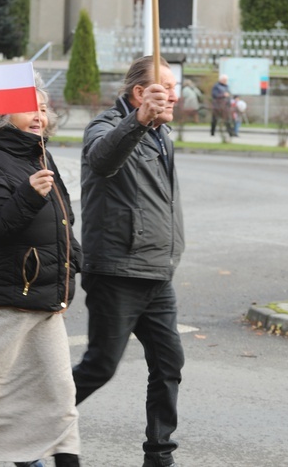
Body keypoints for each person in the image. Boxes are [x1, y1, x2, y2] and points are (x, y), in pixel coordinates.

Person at [0, 81, 82, 467]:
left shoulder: (42, 156)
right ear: (5, 116)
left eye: (43, 107)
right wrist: (27, 195)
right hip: (0, 301)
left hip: (44, 298)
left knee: (59, 394)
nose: (39, 114)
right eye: (29, 108)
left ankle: (43, 458)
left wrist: (81, 263)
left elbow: (61, 225)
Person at [72, 55, 185, 467]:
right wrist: (136, 121)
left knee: (169, 362)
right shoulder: (106, 127)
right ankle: (30, 425)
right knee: (100, 366)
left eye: (174, 86)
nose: (175, 94)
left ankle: (159, 455)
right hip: (118, 270)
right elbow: (102, 160)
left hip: (156, 271)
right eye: (166, 87)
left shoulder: (163, 134)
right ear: (140, 93)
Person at [211, 73, 233, 138]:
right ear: (221, 80)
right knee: (215, 119)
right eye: (224, 80)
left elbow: (229, 94)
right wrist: (223, 95)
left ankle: (230, 133)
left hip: (226, 105)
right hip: (218, 105)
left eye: (226, 80)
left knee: (227, 119)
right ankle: (212, 132)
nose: (226, 81)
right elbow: (214, 95)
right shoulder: (216, 86)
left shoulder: (227, 86)